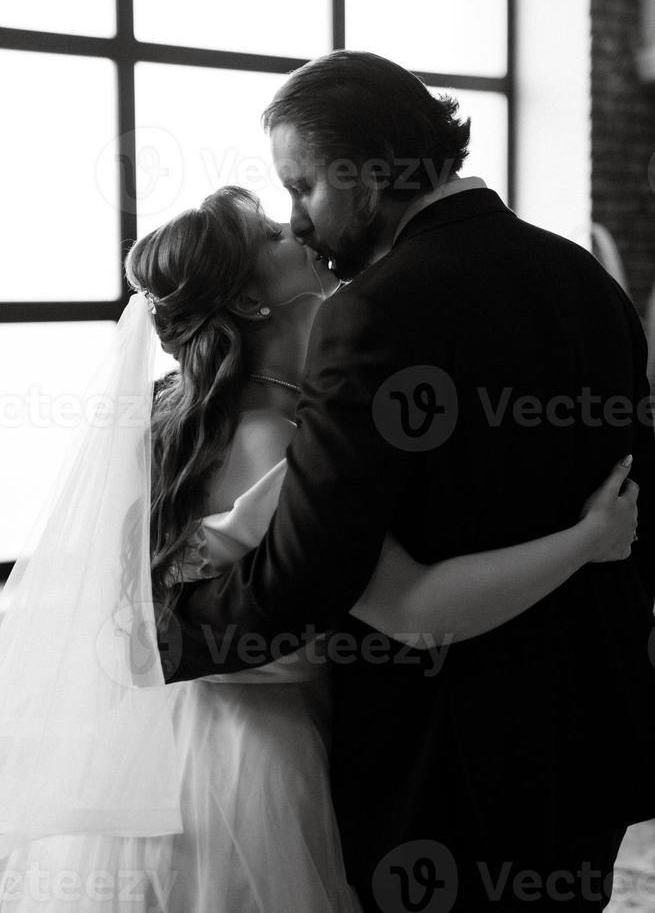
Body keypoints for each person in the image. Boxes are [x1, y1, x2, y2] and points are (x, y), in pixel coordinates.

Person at [0, 185, 638, 912]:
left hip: (177, 743)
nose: (296, 225)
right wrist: (589, 539)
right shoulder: (281, 444)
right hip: (259, 765)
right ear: (249, 303)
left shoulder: (179, 408)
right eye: (272, 232)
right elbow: (411, 610)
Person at [163, 52, 655, 912]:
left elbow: (314, 570)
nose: (299, 221)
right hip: (588, 729)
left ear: (376, 168)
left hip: (448, 758)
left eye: (305, 187)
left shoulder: (376, 311)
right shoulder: (587, 280)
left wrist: (163, 634)